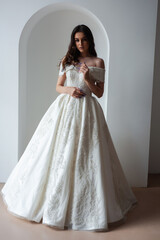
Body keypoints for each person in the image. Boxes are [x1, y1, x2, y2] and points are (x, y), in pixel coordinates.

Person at [1, 24, 137, 232]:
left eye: (83, 39)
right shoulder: (67, 61)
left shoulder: (97, 62)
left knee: (87, 155)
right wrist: (69, 90)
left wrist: (87, 78)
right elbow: (58, 87)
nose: (80, 43)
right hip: (65, 110)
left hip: (88, 112)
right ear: (73, 41)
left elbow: (99, 93)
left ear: (90, 40)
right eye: (76, 40)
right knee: (57, 152)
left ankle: (85, 206)